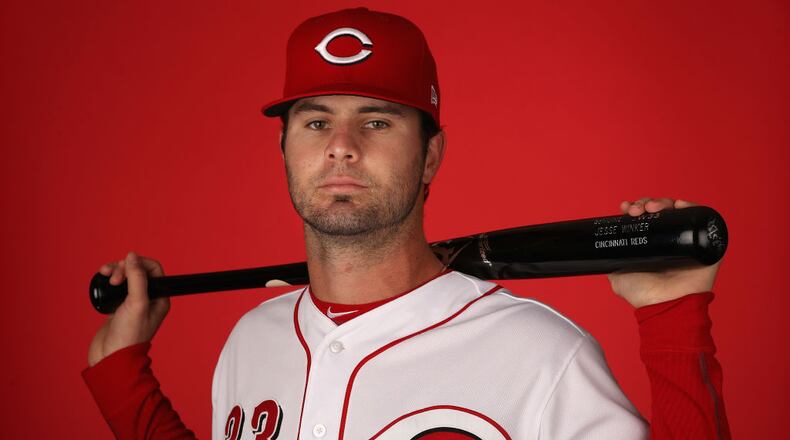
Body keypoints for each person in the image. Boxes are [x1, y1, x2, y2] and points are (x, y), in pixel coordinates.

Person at [83, 7, 730, 439]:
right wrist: (123, 380)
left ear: (431, 157)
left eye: (377, 120)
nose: (341, 144)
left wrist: (674, 321)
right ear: (283, 150)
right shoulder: (252, 345)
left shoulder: (542, 358)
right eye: (315, 121)